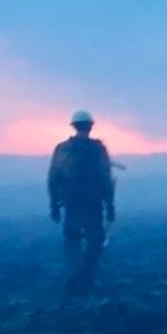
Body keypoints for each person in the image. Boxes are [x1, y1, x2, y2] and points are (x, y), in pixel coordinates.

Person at [47, 110, 115, 295]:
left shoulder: (63, 149)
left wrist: (54, 205)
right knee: (95, 240)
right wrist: (110, 205)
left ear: (74, 126)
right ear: (90, 126)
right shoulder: (98, 149)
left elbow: (53, 177)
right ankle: (87, 278)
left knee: (72, 240)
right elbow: (105, 177)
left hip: (71, 202)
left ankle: (74, 278)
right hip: (93, 202)